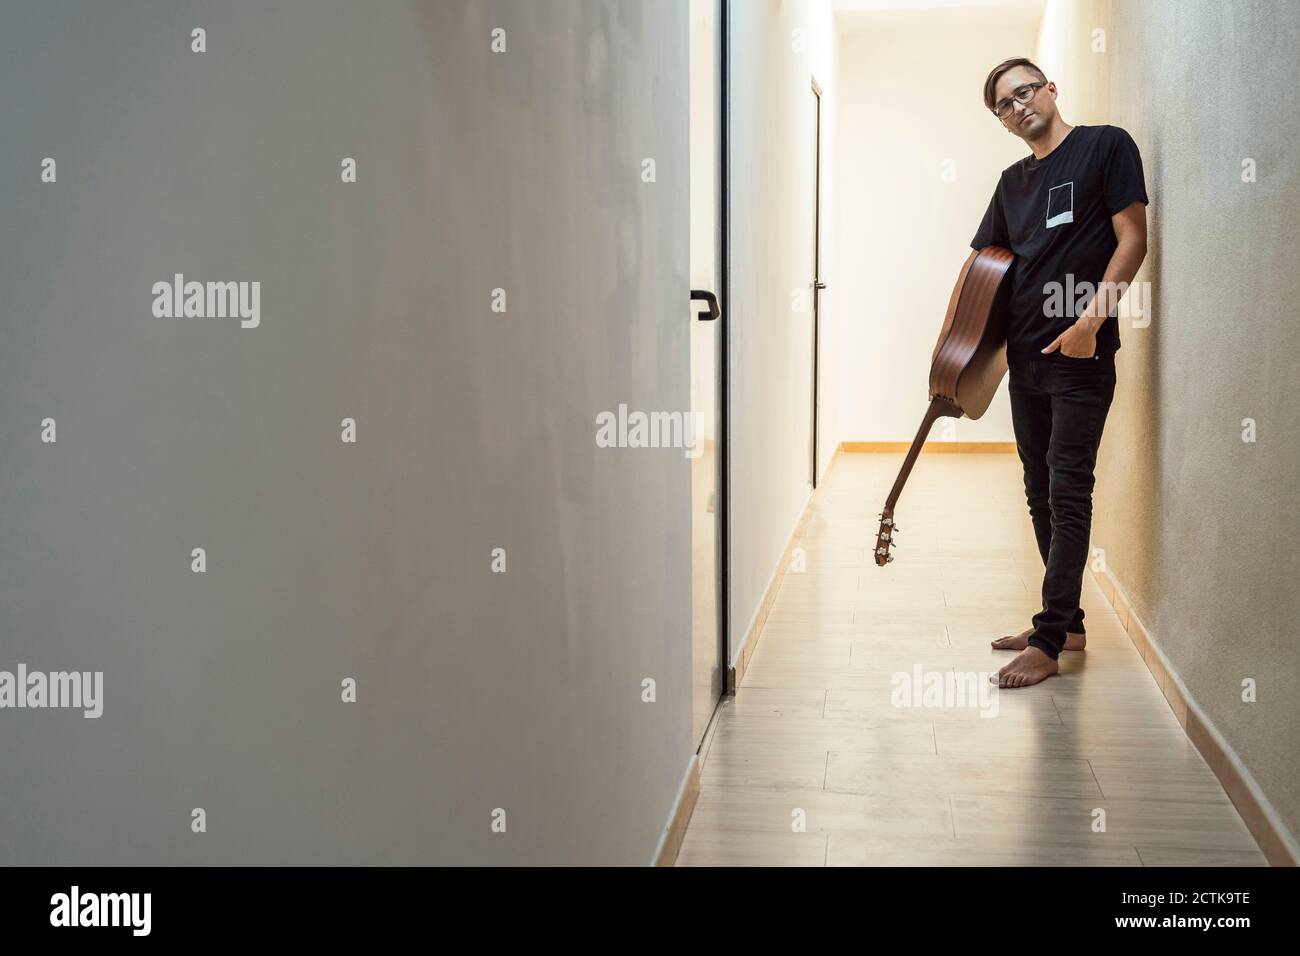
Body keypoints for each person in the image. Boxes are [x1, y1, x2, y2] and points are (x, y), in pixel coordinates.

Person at [969, 57, 1148, 688]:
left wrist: (1089, 324)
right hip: (1024, 359)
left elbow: (1133, 240)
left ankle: (1047, 642)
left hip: (1080, 356)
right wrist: (961, 352)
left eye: (1024, 91)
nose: (1018, 106)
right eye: (1003, 104)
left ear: (1050, 88)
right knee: (1038, 487)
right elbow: (987, 266)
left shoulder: (1105, 146)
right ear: (1001, 120)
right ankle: (1066, 623)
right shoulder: (1011, 180)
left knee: (1069, 489)